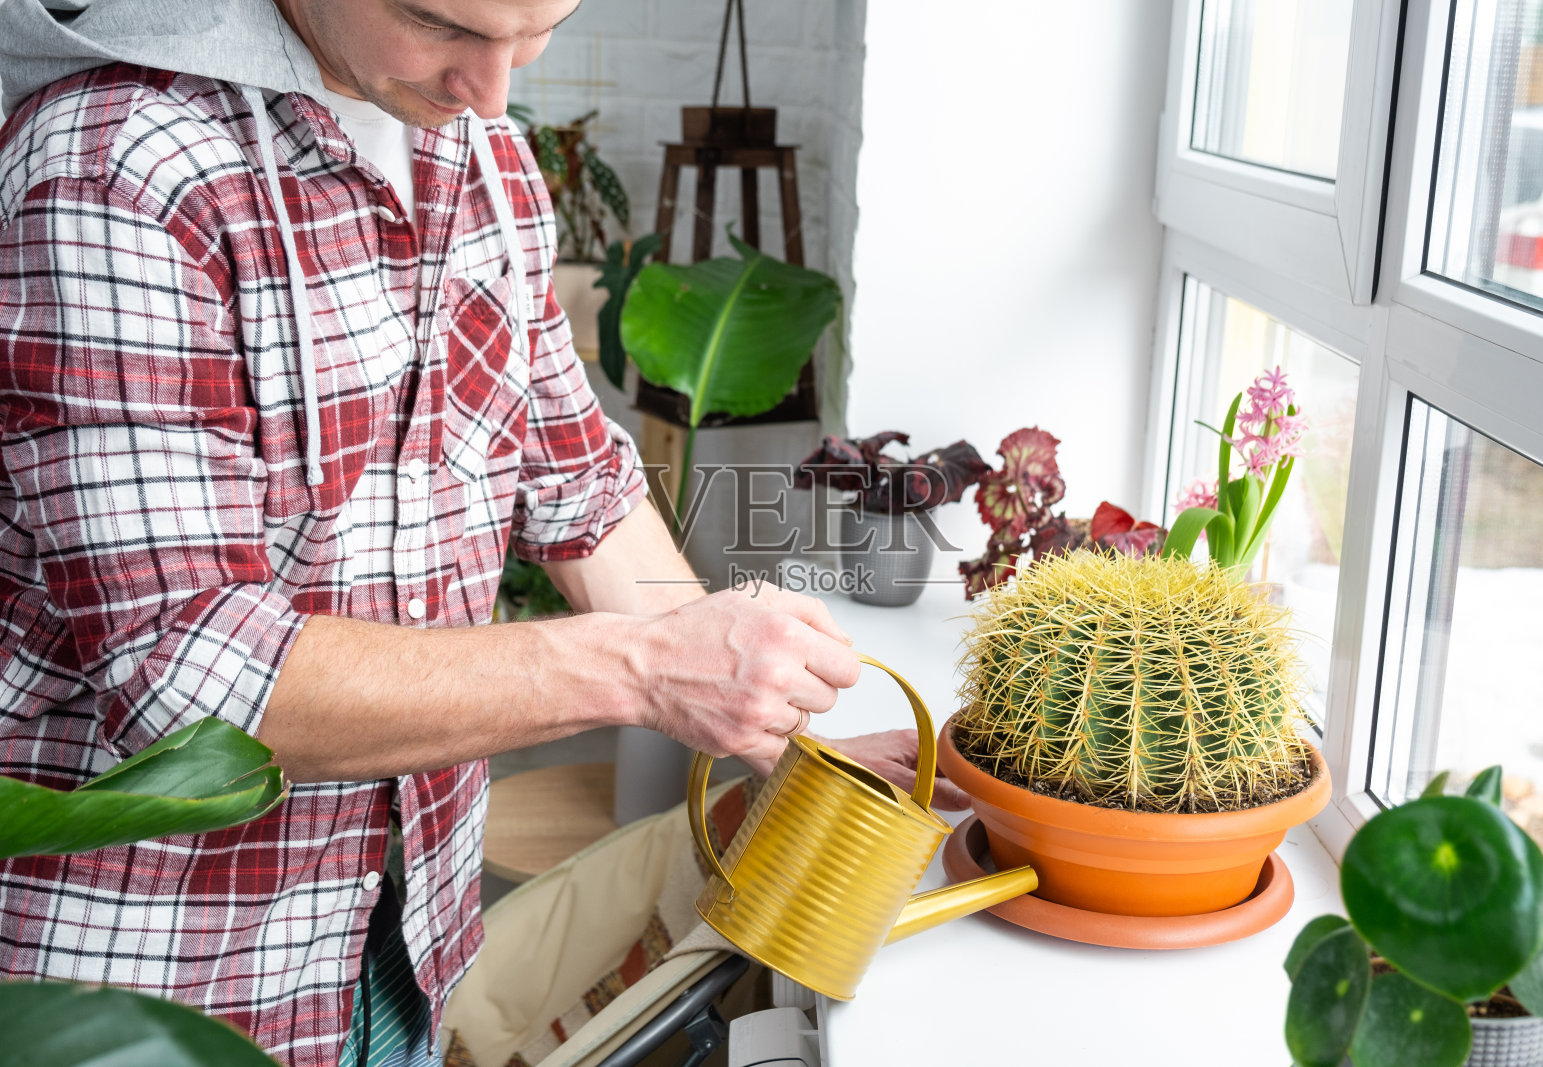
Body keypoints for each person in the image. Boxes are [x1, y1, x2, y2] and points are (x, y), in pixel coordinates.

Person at [0, 1, 966, 1064]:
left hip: (399, 951)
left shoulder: (484, 161)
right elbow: (191, 679)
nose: (495, 91)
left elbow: (584, 493)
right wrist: (642, 668)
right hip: (162, 979)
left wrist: (790, 747)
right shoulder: (112, 171)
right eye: (438, 22)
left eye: (539, 26)